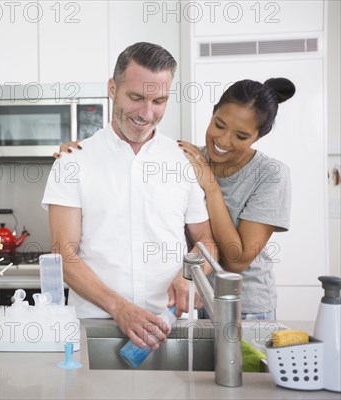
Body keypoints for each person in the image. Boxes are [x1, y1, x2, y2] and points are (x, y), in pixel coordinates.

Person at [57, 78, 295, 321]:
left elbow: (236, 260)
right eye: (219, 125)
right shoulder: (186, 158)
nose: (223, 140)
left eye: (241, 136)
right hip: (186, 302)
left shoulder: (270, 175)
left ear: (258, 136)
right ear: (212, 113)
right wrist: (81, 153)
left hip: (244, 307)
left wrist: (210, 186)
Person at [41, 42, 218, 350]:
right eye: (136, 98)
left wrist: (191, 276)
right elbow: (63, 257)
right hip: (96, 328)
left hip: (172, 326)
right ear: (113, 88)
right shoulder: (73, 162)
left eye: (159, 100)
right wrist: (119, 308)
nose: (147, 114)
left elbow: (207, 242)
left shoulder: (182, 161)